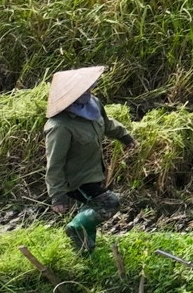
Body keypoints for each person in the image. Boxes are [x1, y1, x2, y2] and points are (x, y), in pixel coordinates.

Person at [45, 65, 135, 254]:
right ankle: (75, 229)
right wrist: (58, 197)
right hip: (76, 180)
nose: (89, 91)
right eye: (84, 90)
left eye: (89, 87)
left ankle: (85, 251)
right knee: (110, 202)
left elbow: (106, 123)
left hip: (93, 171)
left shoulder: (92, 104)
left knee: (87, 210)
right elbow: (55, 163)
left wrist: (125, 137)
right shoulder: (60, 126)